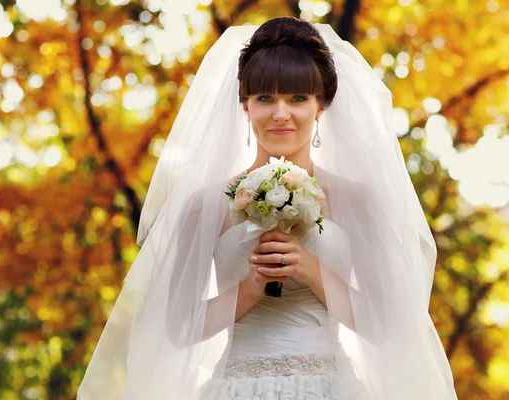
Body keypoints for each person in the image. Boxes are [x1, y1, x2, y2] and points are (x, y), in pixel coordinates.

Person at [77, 17, 458, 400]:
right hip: (236, 387)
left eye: (297, 98)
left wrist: (311, 271)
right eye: (265, 98)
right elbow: (178, 328)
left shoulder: (358, 200)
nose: (280, 113)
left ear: (321, 106)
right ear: (245, 105)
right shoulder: (204, 204)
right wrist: (251, 288)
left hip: (331, 386)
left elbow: (382, 324)